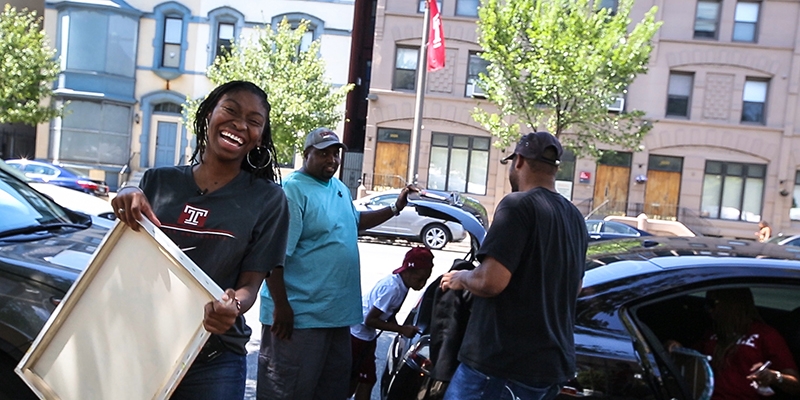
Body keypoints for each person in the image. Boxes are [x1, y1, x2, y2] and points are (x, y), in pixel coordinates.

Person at [111, 80, 290, 400]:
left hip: (213, 360)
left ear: (260, 137)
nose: (240, 124)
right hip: (140, 347)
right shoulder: (157, 180)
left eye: (253, 121)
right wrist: (126, 194)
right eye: (231, 110)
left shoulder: (269, 200)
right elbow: (125, 262)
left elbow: (251, 284)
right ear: (208, 114)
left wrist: (232, 306)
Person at [257, 127, 416, 400]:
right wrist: (281, 307)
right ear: (307, 154)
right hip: (300, 318)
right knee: (287, 391)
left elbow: (357, 222)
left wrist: (395, 208)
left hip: (337, 316)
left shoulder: (339, 188)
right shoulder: (293, 191)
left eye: (335, 153)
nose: (331, 159)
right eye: (323, 154)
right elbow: (274, 255)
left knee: (330, 391)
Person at [439, 131, 588, 400]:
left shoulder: (517, 205)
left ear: (518, 160)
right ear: (555, 169)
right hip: (551, 367)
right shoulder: (575, 217)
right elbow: (576, 287)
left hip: (502, 366)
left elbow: (490, 281)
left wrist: (461, 277)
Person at [668, 288, 800, 399]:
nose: (708, 309)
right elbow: (693, 363)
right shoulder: (712, 334)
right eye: (706, 304)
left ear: (732, 304)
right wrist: (676, 348)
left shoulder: (766, 335)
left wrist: (774, 377)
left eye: (712, 303)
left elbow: (795, 385)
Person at [348, 246, 435, 400]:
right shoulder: (392, 288)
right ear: (408, 272)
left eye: (426, 279)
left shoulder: (403, 285)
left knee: (356, 377)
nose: (422, 284)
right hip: (358, 335)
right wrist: (401, 329)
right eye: (420, 279)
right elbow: (370, 319)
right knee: (366, 379)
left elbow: (389, 314)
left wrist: (402, 329)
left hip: (366, 336)